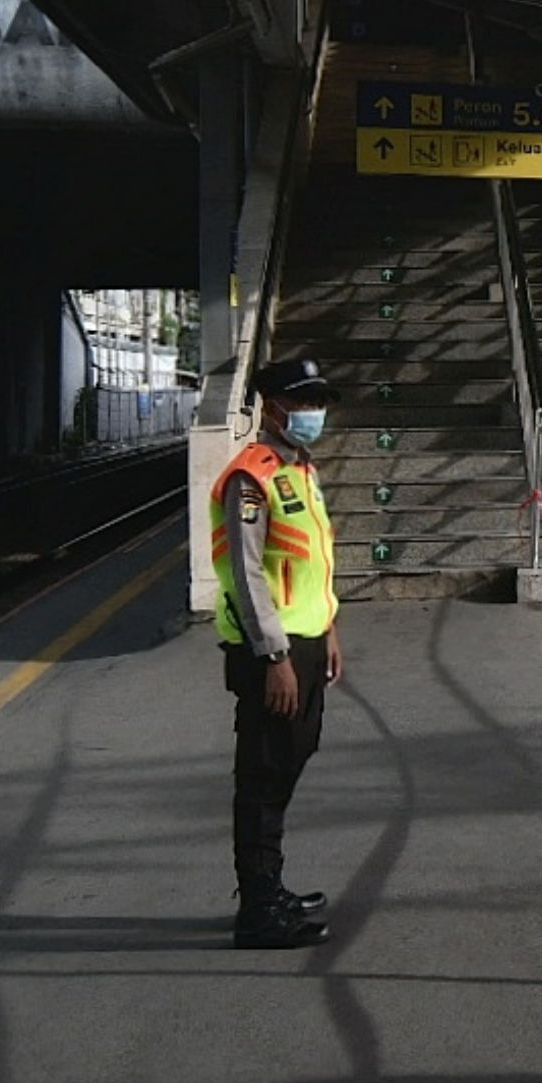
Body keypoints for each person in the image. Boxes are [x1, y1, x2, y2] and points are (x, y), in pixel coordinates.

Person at [210, 355, 344, 949]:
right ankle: (259, 909)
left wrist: (331, 626)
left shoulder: (301, 470)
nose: (313, 412)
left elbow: (310, 563)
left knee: (293, 756)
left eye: (319, 402)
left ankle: (272, 885)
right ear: (272, 405)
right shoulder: (251, 477)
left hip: (309, 643)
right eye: (303, 401)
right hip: (273, 654)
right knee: (263, 776)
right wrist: (275, 658)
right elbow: (246, 576)